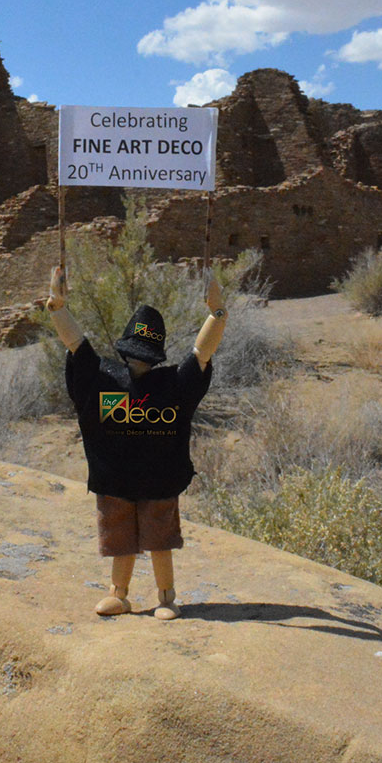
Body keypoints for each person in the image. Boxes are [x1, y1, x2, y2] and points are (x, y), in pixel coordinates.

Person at [45, 264, 227, 620]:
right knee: (120, 540)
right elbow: (76, 345)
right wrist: (58, 308)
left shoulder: (170, 384)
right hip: (116, 481)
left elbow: (200, 356)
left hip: (158, 482)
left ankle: (166, 597)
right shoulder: (105, 380)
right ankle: (119, 594)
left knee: (160, 538)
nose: (138, 360)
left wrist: (216, 315)